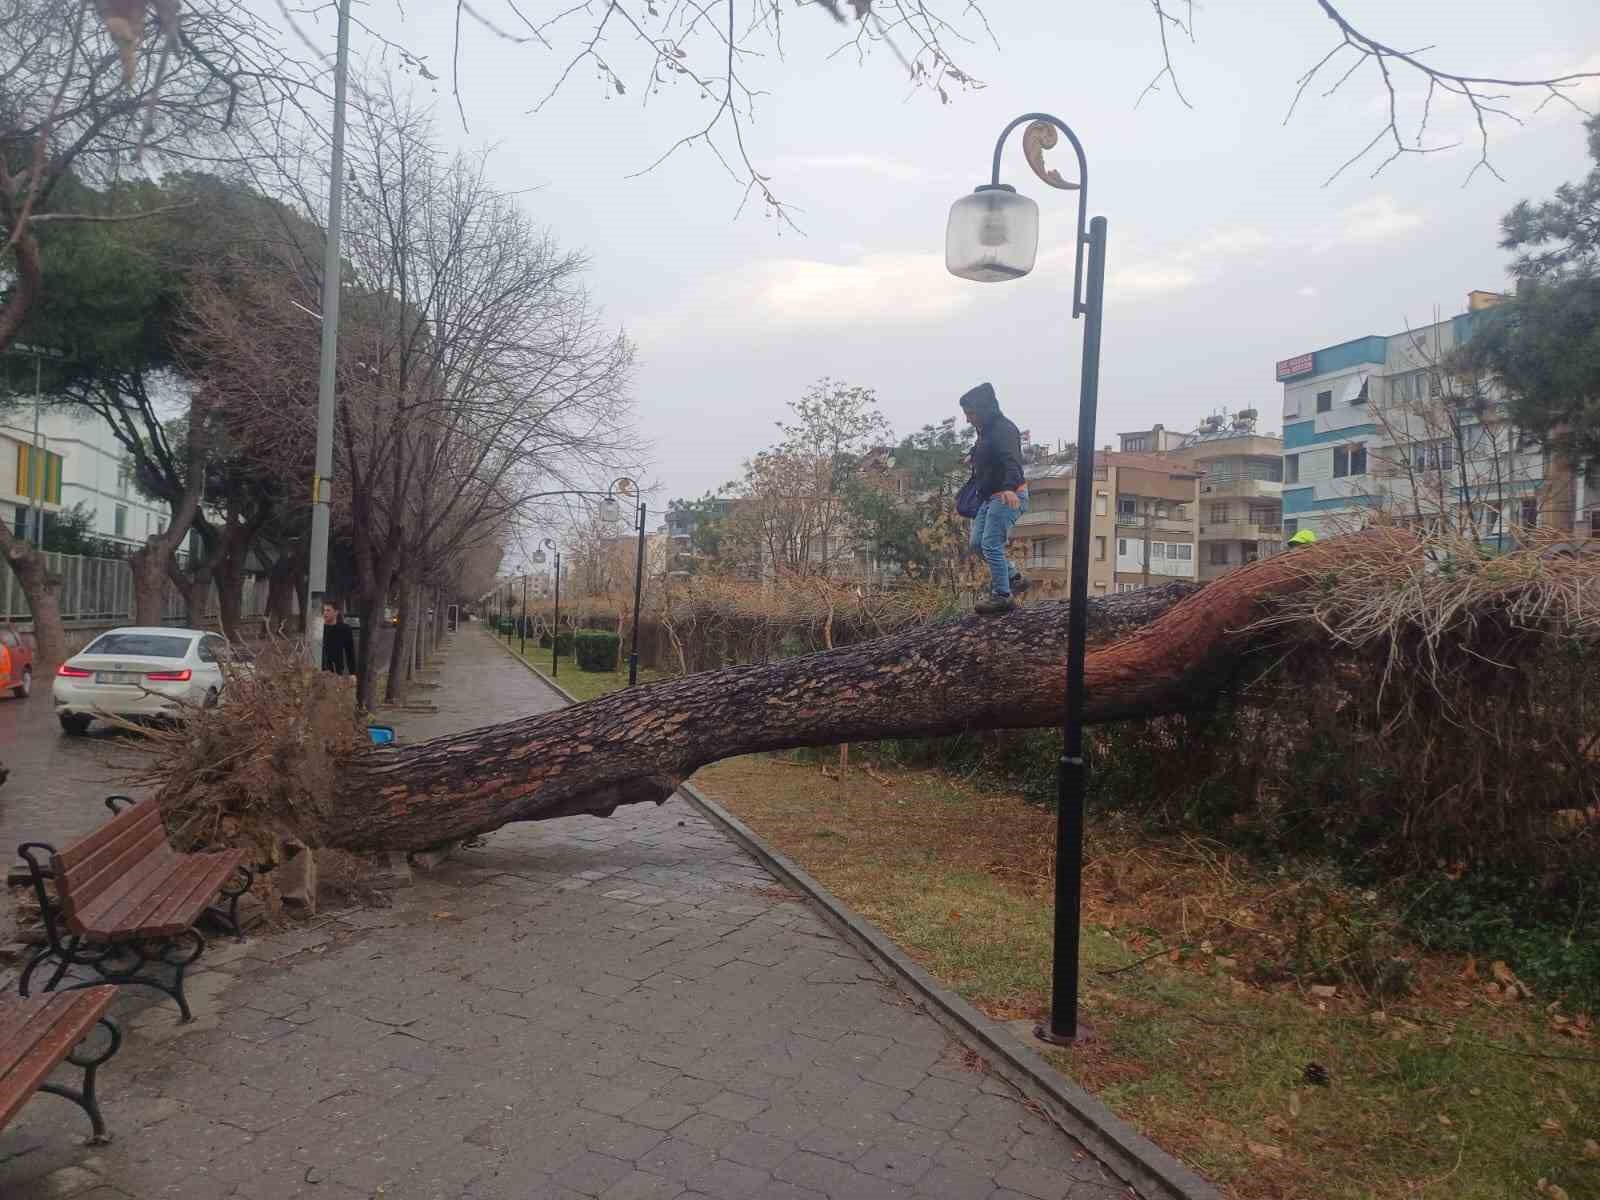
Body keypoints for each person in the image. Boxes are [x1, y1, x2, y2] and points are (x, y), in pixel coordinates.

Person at [960, 382, 1029, 615]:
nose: (968, 420)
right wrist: (972, 454)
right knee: (977, 544)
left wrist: (1009, 488)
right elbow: (988, 449)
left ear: (984, 409)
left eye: (970, 414)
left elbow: (1012, 461)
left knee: (990, 543)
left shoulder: (1004, 430)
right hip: (989, 497)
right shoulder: (986, 430)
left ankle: (1003, 596)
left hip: (1008, 495)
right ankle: (1013, 577)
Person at [321, 600, 357, 675]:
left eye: (328, 610)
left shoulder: (345, 629)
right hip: (319, 670)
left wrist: (353, 673)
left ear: (336, 612)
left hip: (336, 671)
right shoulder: (320, 628)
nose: (325, 613)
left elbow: (350, 653)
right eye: (324, 610)